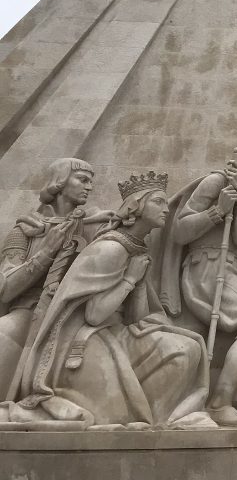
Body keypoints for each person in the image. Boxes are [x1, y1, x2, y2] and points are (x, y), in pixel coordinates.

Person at [0, 172, 212, 429]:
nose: (166, 209)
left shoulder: (134, 248)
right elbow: (94, 315)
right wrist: (129, 280)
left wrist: (140, 285)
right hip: (82, 339)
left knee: (188, 347)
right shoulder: (110, 249)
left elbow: (137, 316)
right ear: (137, 206)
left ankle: (163, 418)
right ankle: (144, 417)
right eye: (158, 202)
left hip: (117, 328)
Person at [157, 141, 237, 427]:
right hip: (207, 267)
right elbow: (180, 231)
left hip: (230, 270)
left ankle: (213, 401)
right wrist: (217, 210)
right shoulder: (216, 181)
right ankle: (220, 402)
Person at [1, 159, 113, 400]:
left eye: (91, 181)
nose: (90, 187)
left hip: (72, 314)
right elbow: (7, 289)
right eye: (83, 179)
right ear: (60, 182)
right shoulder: (26, 230)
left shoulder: (94, 226)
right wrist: (47, 251)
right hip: (29, 311)